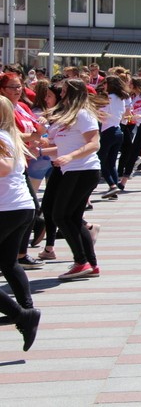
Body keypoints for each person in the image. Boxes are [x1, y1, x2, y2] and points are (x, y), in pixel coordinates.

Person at [39, 79, 102, 280]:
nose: (61, 94)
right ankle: (90, 264)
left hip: (84, 170)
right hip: (73, 170)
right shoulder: (68, 116)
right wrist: (39, 151)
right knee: (72, 218)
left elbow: (94, 144)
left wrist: (70, 157)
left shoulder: (83, 114)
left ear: (73, 94)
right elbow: (63, 147)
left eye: (65, 91)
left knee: (60, 215)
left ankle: (81, 261)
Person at [0, 97, 41, 351]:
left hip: (8, 208)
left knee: (8, 262)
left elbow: (4, 168)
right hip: (19, 206)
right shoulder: (9, 135)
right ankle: (26, 310)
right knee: (7, 262)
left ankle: (21, 314)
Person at [96, 75, 129, 199]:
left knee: (100, 160)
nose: (103, 86)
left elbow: (102, 114)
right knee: (111, 162)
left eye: (105, 83)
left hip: (108, 131)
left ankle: (112, 185)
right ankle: (114, 189)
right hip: (118, 131)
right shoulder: (121, 98)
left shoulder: (109, 98)